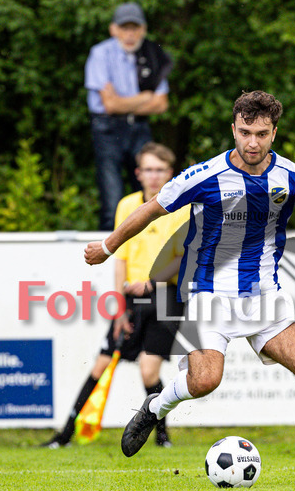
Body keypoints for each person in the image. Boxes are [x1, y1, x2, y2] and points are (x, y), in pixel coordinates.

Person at [84, 91, 295, 484]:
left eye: (262, 134)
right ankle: (154, 408)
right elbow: (151, 210)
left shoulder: (293, 177)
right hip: (209, 296)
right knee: (205, 381)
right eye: (245, 132)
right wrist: (107, 246)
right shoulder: (205, 175)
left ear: (274, 133)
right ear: (233, 129)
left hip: (267, 299)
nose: (253, 142)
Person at [43, 142, 189, 449]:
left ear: (170, 173)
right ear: (138, 173)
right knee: (101, 364)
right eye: (148, 169)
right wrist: (120, 306)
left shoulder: (182, 208)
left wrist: (150, 284)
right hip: (131, 298)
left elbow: (183, 258)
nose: (153, 176)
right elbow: (119, 258)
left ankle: (162, 437)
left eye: (160, 170)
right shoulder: (127, 205)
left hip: (166, 296)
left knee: (149, 369)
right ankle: (64, 436)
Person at [85, 1, 172, 230]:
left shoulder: (153, 54)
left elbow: (161, 104)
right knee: (112, 197)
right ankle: (109, 255)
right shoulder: (100, 53)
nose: (130, 34)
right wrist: (144, 97)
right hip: (107, 129)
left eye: (135, 28)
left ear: (143, 29)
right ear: (114, 29)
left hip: (139, 128)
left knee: (146, 191)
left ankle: (147, 244)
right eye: (125, 28)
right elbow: (109, 104)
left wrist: (125, 103)